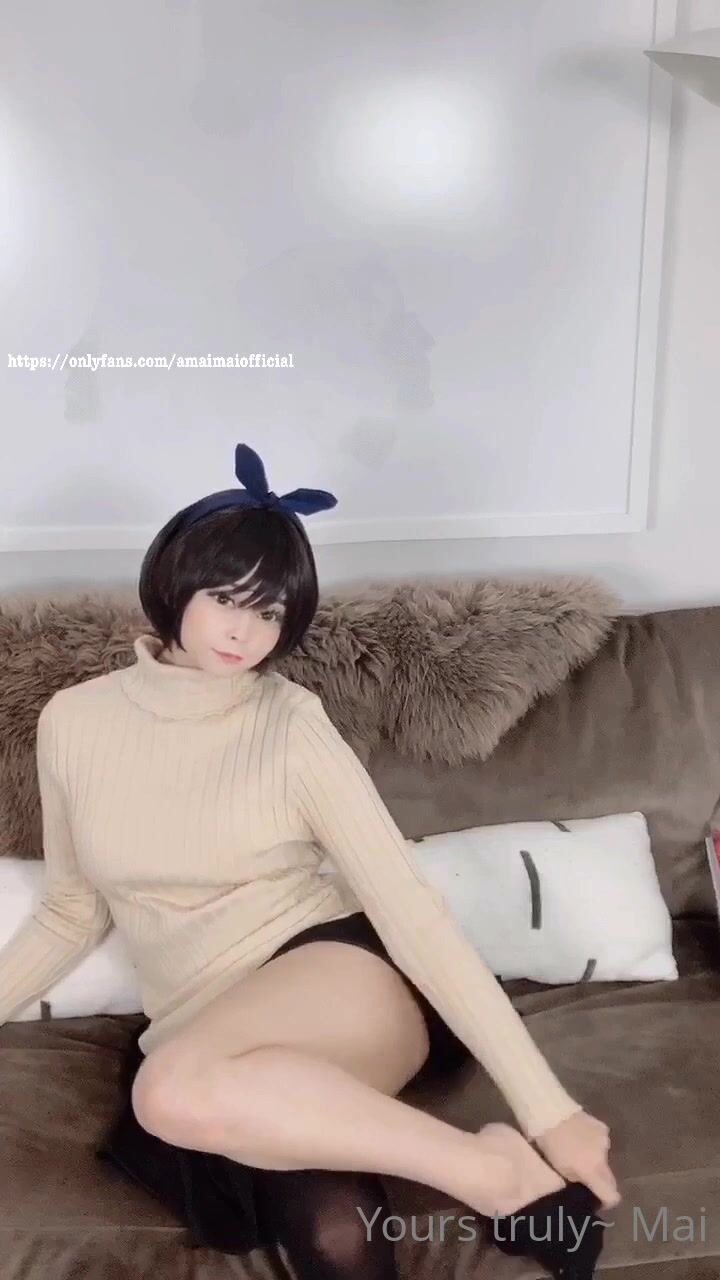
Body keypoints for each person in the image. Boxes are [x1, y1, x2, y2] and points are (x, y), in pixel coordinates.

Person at [0, 442, 619, 1278]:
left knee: (170, 1093)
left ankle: (502, 1172)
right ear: (174, 584)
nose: (244, 632)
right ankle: (487, 1165)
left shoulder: (291, 724)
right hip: (199, 1018)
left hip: (334, 973)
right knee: (327, 1224)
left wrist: (549, 1111)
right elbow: (72, 909)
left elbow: (410, 909)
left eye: (271, 612)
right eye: (226, 599)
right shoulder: (74, 724)